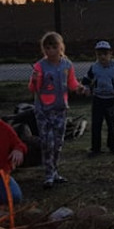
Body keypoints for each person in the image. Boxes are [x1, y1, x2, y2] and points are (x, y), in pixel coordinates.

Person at [28, 31, 82, 188]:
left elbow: (72, 84)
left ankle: (55, 171)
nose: (50, 50)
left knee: (58, 143)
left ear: (60, 47)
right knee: (47, 142)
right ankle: (48, 175)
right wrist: (35, 79)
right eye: (47, 47)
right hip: (43, 110)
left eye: (54, 46)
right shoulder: (40, 66)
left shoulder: (67, 65)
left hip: (60, 109)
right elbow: (33, 88)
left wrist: (80, 89)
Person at [83, 40, 114, 156]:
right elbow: (86, 81)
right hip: (98, 99)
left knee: (111, 125)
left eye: (105, 54)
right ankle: (95, 148)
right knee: (96, 124)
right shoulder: (94, 68)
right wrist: (86, 88)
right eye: (99, 54)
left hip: (111, 100)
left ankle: (113, 147)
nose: (102, 57)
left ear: (110, 54)